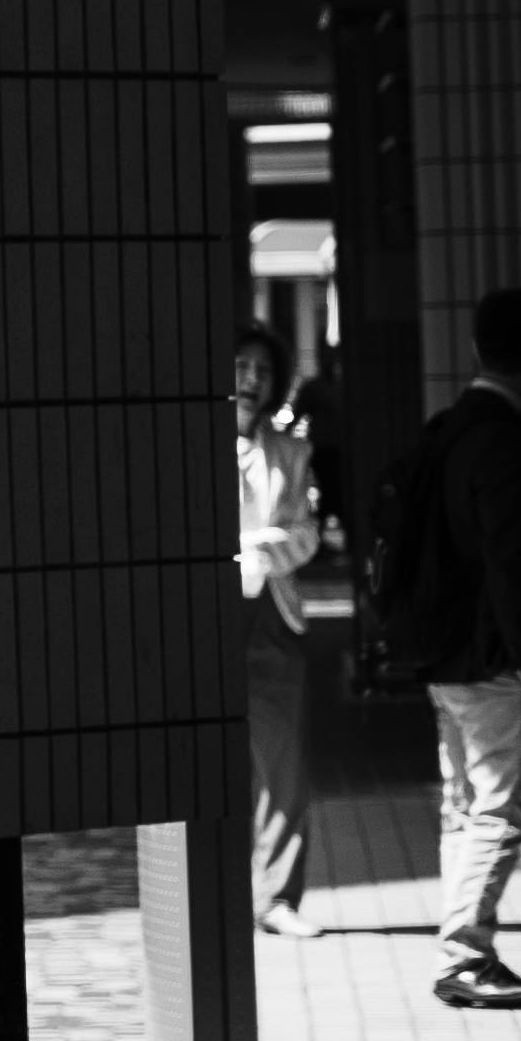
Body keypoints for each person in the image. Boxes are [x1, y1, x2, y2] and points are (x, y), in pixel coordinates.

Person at [367, 286, 521, 1011]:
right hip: (490, 655)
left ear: (476, 348)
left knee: (464, 804)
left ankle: (461, 950)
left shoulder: (446, 429)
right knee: (502, 806)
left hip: (441, 650)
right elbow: (513, 555)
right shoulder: (503, 437)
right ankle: (465, 955)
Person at [229, 321, 333, 933]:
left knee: (283, 763)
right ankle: (216, 890)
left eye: (263, 370)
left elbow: (309, 533)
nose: (251, 379)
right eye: (241, 365)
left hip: (272, 613)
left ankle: (277, 898)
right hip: (209, 618)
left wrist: (264, 548)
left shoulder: (291, 452)